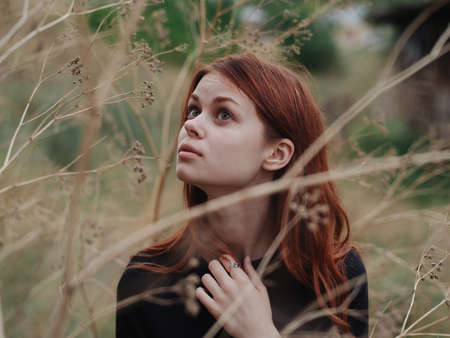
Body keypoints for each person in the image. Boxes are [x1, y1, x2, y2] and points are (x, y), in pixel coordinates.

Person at [116, 53, 369, 338]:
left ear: (276, 153)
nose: (191, 125)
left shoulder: (334, 274)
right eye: (193, 110)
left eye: (224, 114)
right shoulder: (146, 279)